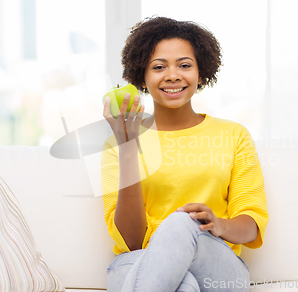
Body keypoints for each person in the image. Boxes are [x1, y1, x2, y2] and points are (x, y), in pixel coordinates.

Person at [100, 16, 268, 292]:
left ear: (201, 74)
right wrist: (127, 147)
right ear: (142, 76)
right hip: (139, 260)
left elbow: (251, 225)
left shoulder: (233, 135)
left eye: (185, 65)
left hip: (216, 264)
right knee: (184, 286)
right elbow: (130, 241)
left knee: (182, 222)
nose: (173, 75)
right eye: (159, 67)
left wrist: (218, 224)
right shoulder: (117, 143)